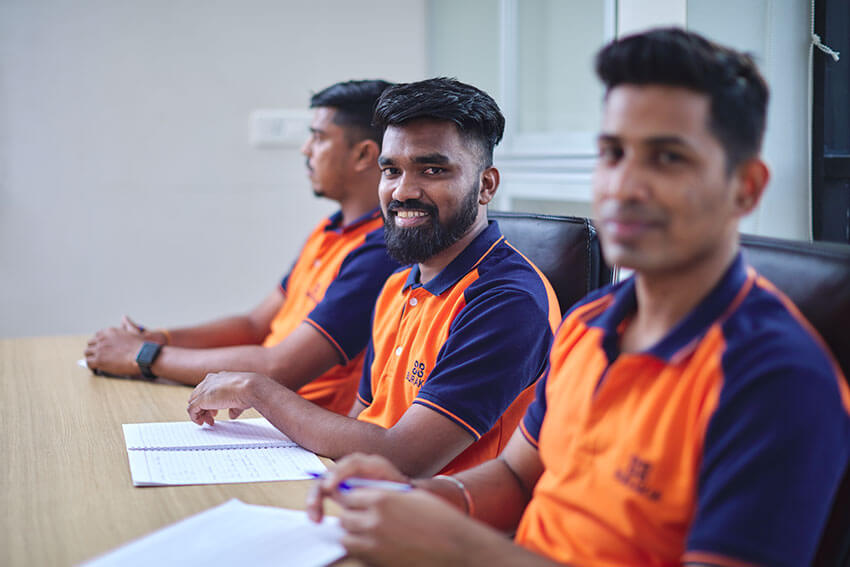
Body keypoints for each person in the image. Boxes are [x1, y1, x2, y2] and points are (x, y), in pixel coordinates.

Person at [306, 29, 850, 567]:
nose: (624, 185)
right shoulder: (590, 322)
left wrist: (463, 548)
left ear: (746, 189)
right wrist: (415, 499)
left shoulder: (776, 378)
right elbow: (517, 477)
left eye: (667, 159)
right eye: (613, 153)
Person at [186, 77, 561, 477]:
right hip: (363, 500)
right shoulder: (397, 286)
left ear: (486, 185)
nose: (402, 191)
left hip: (437, 526)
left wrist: (258, 389)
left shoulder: (506, 301)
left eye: (432, 169)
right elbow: (360, 423)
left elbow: (404, 457)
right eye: (391, 170)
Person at [84, 79, 400, 415]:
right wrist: (159, 339)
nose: (305, 149)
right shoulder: (330, 230)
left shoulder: (379, 250)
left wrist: (142, 357)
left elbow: (281, 367)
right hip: (256, 409)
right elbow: (254, 325)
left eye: (318, 137)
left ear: (364, 154)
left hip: (302, 429)